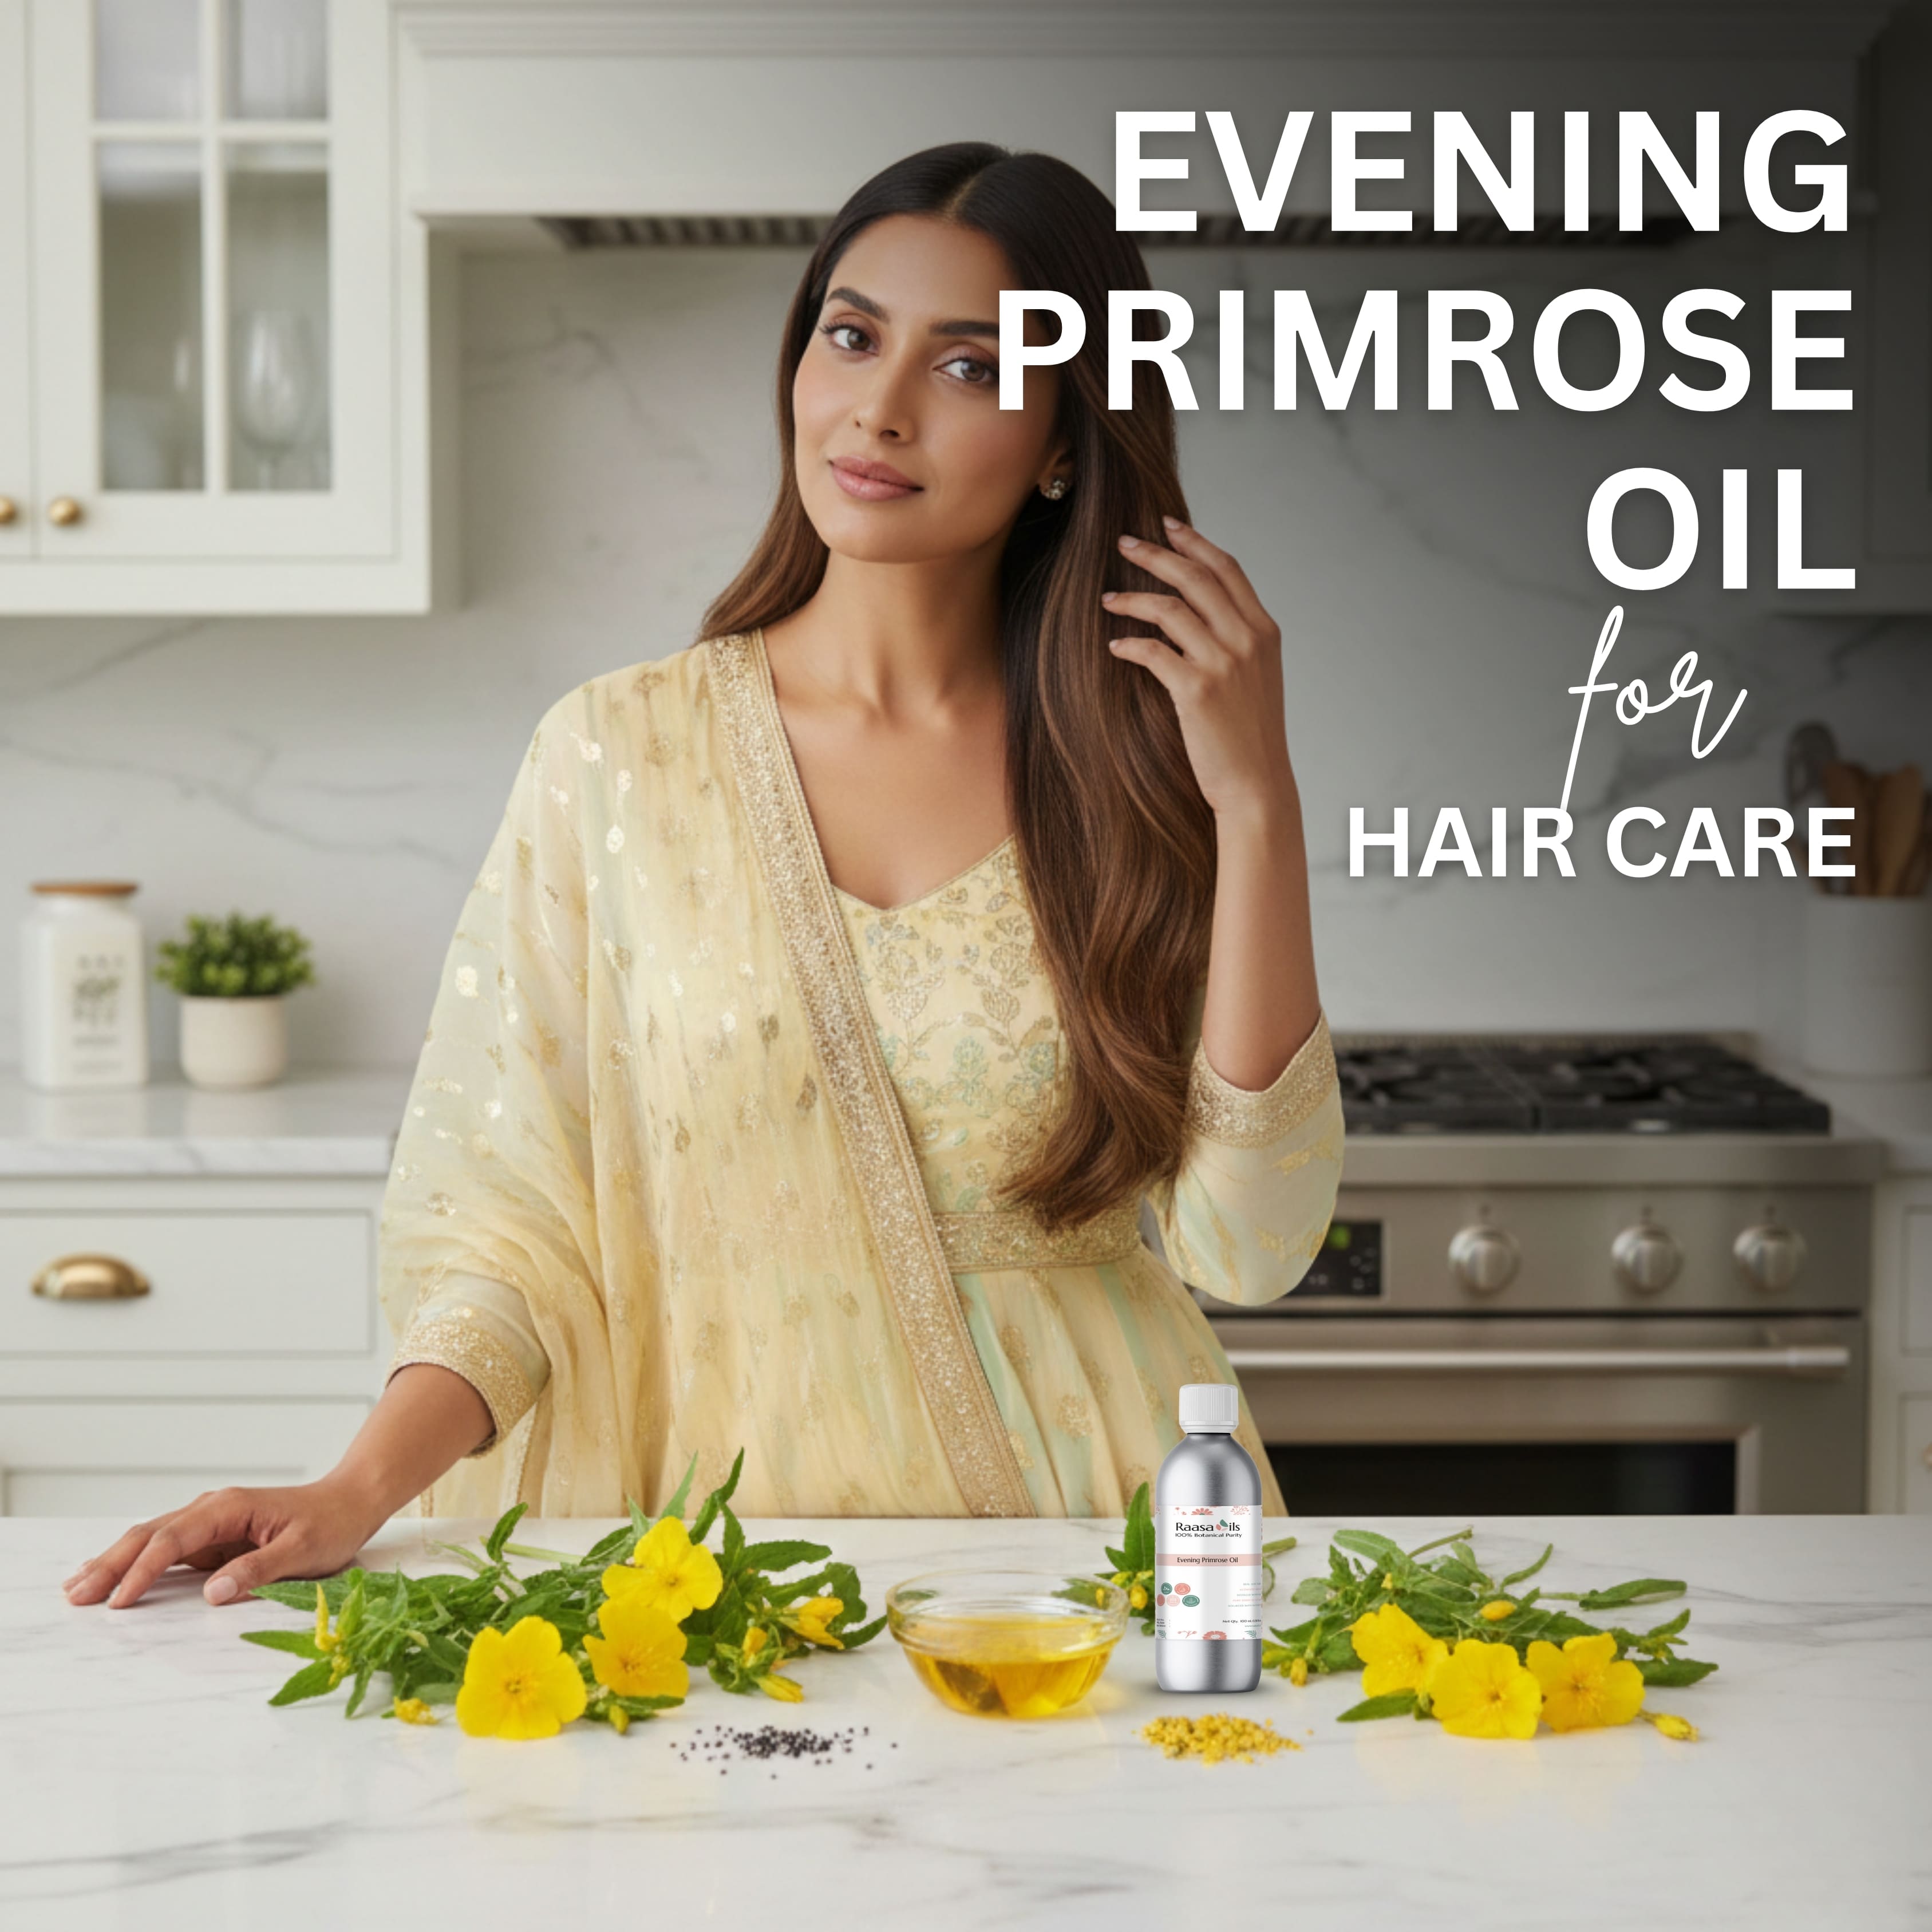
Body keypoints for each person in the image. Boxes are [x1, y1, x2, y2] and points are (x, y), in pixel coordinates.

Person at [65, 142, 1342, 1612]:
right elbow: (512, 1224)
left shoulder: (1137, 766)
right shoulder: (616, 758)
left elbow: (1249, 1242)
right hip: (733, 1575)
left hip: (1087, 1559)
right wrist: (355, 1486)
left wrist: (1254, 797)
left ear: (1066, 436)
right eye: (849, 335)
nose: (878, 403)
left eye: (972, 364)